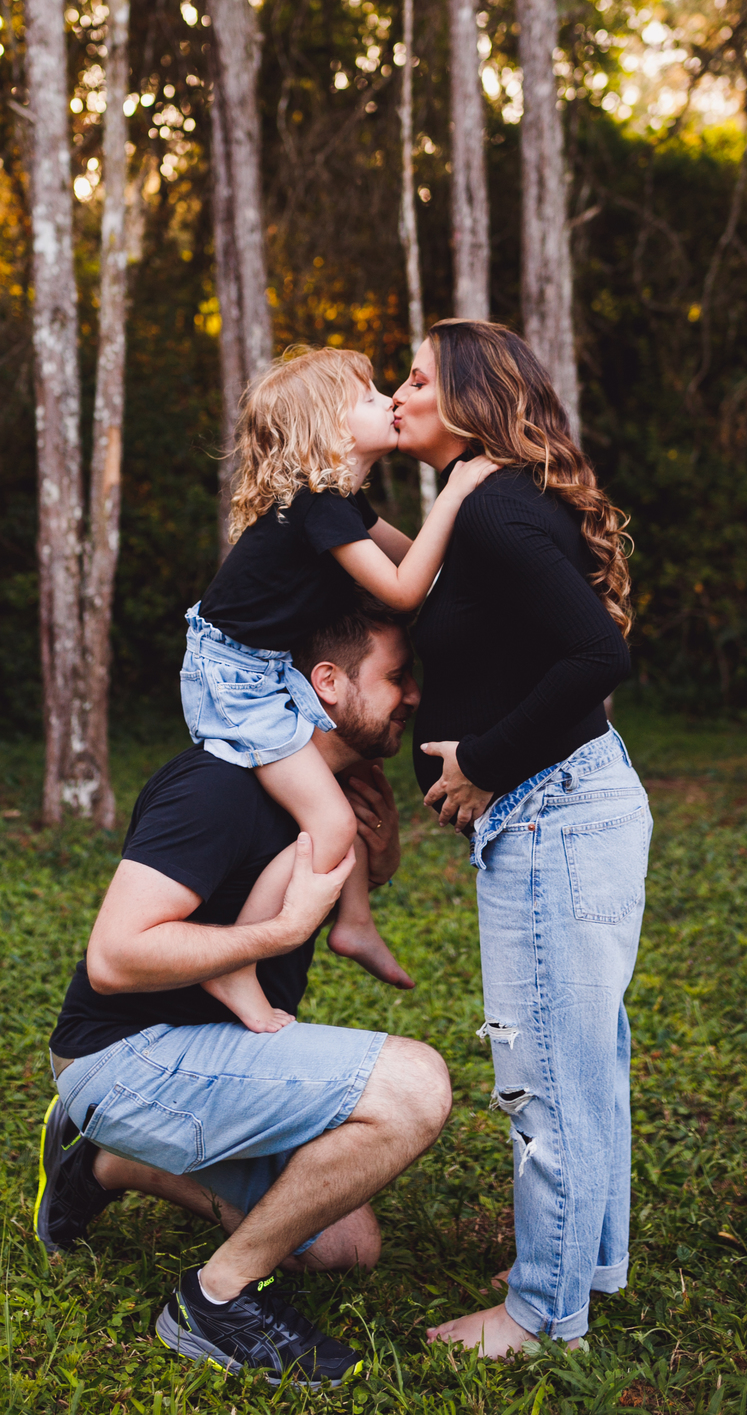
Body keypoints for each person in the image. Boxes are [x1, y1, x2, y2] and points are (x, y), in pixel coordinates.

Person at [33, 602, 452, 1387]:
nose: (414, 695)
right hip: (125, 1057)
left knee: (345, 1248)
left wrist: (383, 853)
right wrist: (277, 933)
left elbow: (327, 887)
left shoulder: (326, 792)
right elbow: (114, 958)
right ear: (327, 683)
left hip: (211, 1052)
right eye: (397, 676)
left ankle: (100, 1165)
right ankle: (214, 1301)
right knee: (416, 1086)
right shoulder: (217, 786)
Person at [392, 319, 649, 1360]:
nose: (398, 394)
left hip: (552, 814)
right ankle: (587, 1264)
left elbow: (596, 656)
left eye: (416, 378)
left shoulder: (496, 511)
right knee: (585, 1062)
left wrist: (484, 762)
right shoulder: (494, 501)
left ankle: (543, 1318)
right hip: (572, 810)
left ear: (467, 398)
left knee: (547, 1069)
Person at [182, 345, 495, 1031]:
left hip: (265, 666)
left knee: (347, 786)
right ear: (329, 431)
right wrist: (458, 491)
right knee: (328, 821)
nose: (390, 400)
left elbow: (422, 563)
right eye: (369, 396)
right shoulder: (318, 507)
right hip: (234, 680)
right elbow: (404, 589)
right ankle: (235, 963)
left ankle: (353, 922)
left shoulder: (343, 504)